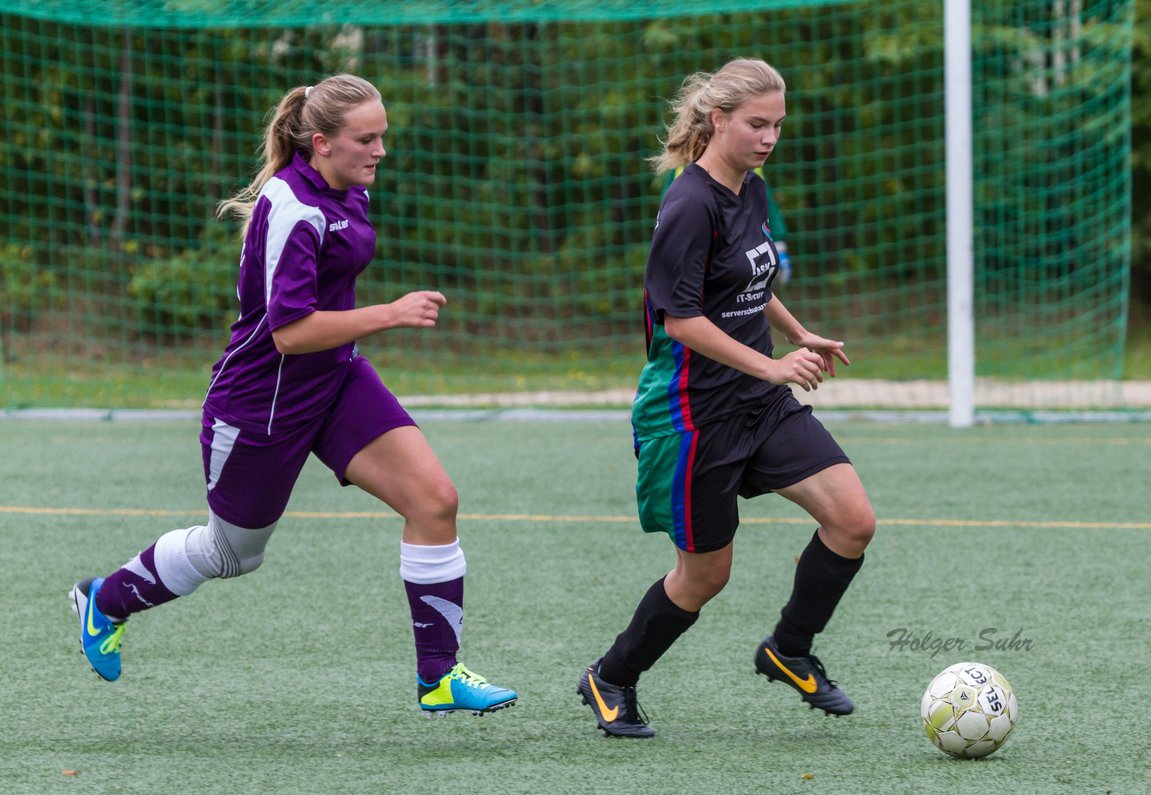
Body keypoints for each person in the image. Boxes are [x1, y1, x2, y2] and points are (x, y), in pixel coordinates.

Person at [68, 73, 517, 717]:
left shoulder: (347, 190)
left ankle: (439, 678)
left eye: (383, 135)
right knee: (232, 554)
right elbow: (289, 333)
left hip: (335, 382)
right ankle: (104, 600)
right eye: (367, 138)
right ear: (320, 142)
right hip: (261, 405)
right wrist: (389, 312)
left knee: (435, 500)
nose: (380, 149)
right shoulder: (291, 206)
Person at [576, 58, 875, 737]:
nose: (769, 138)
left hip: (756, 403)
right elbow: (681, 319)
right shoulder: (688, 204)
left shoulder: (751, 191)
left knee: (853, 521)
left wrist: (799, 333)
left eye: (777, 125)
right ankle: (612, 676)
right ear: (718, 120)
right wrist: (772, 369)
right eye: (756, 124)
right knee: (705, 575)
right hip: (692, 417)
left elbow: (746, 281)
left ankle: (788, 650)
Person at [662, 165, 793, 284]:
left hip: (743, 257)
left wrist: (778, 244)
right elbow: (667, 221)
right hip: (700, 262)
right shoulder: (681, 176)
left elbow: (766, 203)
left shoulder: (751, 166)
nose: (767, 141)